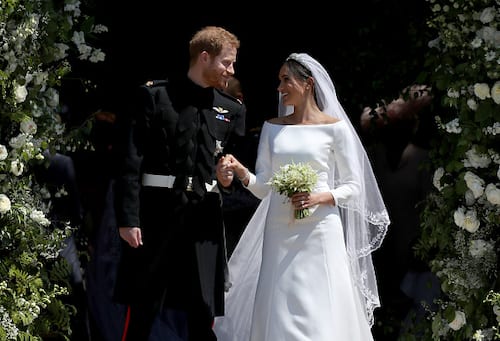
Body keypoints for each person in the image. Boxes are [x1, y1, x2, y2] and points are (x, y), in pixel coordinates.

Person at [213, 53, 390, 341]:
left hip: (319, 228)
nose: (279, 87)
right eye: (279, 80)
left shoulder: (335, 129)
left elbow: (353, 186)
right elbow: (264, 187)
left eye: (286, 80)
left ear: (307, 84)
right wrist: (243, 173)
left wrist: (319, 197)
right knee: (279, 299)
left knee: (320, 299)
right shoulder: (272, 128)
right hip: (279, 228)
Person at [112, 26, 246, 341]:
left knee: (203, 311)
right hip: (157, 216)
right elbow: (131, 161)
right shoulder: (155, 96)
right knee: (143, 308)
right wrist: (128, 218)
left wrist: (228, 181)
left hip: (204, 221)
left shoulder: (231, 109)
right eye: (226, 62)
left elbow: (233, 170)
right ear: (204, 57)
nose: (231, 70)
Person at [359, 85, 440, 339]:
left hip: (412, 242)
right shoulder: (375, 157)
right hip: (381, 245)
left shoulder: (421, 158)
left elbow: (431, 202)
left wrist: (425, 244)